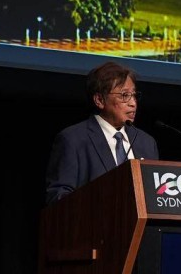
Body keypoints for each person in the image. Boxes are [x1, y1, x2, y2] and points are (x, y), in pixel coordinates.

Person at [43, 61, 158, 205]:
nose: (133, 103)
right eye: (124, 95)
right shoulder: (73, 139)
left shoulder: (146, 142)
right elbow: (58, 197)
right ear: (99, 100)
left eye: (134, 95)